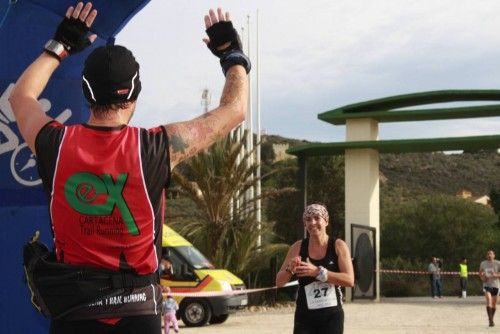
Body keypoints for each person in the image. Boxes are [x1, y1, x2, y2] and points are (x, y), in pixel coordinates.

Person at [10, 2, 249, 333]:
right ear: (135, 94)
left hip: (74, 313)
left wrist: (60, 45)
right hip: (138, 314)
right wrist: (232, 55)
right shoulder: (155, 147)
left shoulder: (56, 144)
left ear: (86, 92)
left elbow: (21, 97)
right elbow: (235, 110)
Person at [276, 203, 354, 334]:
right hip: (305, 316)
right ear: (304, 224)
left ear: (326, 221)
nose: (312, 223)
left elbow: (349, 280)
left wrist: (318, 272)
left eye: (317, 218)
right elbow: (279, 282)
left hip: (331, 315)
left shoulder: (338, 245)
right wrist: (290, 269)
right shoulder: (298, 247)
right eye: (308, 219)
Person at [479, 250, 500, 327]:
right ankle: (490, 321)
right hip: (487, 285)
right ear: (486, 256)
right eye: (488, 254)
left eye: (491, 254)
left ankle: (491, 318)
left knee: (494, 304)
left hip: (496, 285)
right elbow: (480, 272)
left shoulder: (498, 263)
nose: (489, 255)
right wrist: (482, 278)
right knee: (489, 300)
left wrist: (496, 275)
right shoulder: (483, 263)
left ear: (494, 255)